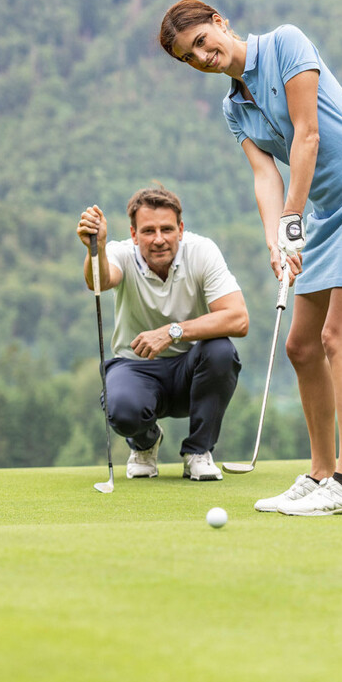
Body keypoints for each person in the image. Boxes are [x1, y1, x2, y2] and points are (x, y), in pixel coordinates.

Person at [158, 0, 342, 516]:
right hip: (322, 209)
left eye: (201, 41)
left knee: (338, 338)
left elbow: (308, 134)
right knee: (302, 347)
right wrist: (275, 240)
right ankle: (321, 474)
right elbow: (265, 176)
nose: (202, 56)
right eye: (189, 57)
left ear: (219, 22)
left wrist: (292, 221)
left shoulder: (286, 43)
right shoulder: (234, 109)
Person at [77, 187, 248, 481]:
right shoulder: (120, 253)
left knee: (221, 351)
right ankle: (145, 443)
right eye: (148, 231)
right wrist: (97, 249)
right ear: (133, 234)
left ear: (180, 229)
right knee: (123, 411)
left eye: (167, 229)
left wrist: (173, 331)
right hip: (135, 367)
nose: (159, 239)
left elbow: (238, 318)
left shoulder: (202, 251)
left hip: (191, 372)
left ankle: (198, 451)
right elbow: (100, 281)